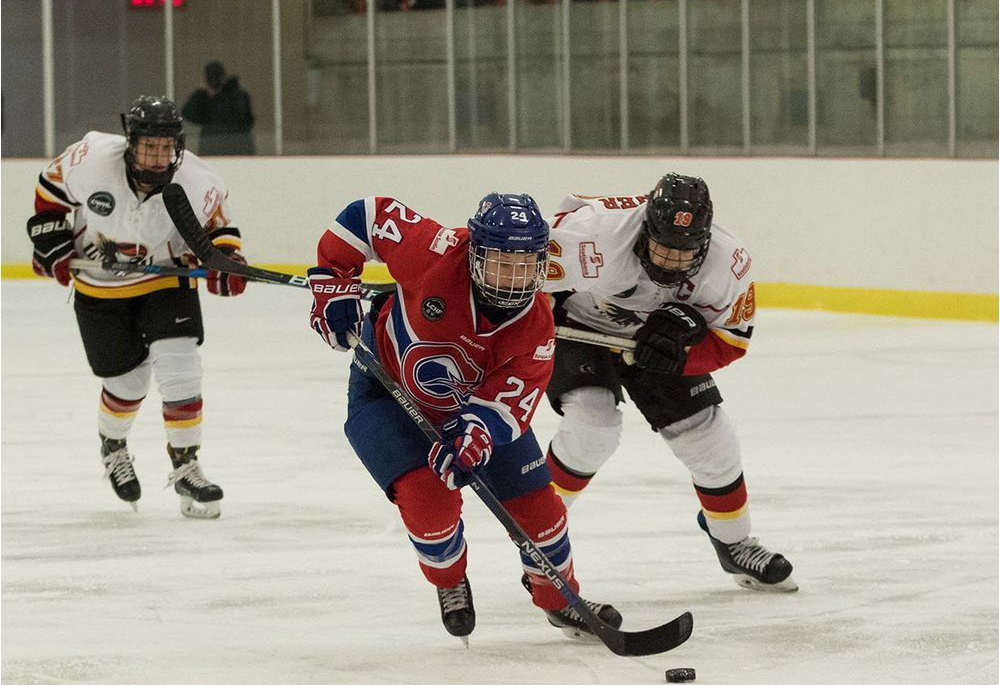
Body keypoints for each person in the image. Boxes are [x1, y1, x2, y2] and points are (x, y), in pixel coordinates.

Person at [306, 192, 622, 642]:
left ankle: (560, 601)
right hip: (388, 394)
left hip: (472, 412)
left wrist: (476, 433)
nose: (512, 279)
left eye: (523, 265)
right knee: (429, 507)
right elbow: (367, 215)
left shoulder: (536, 328)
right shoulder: (434, 251)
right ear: (473, 253)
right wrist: (333, 281)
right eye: (500, 263)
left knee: (542, 514)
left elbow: (510, 402)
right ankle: (450, 579)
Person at [542, 173, 798, 592]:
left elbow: (731, 342)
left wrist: (682, 351)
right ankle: (540, 538)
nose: (670, 263)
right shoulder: (593, 234)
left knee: (711, 438)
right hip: (577, 329)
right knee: (592, 429)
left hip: (654, 348)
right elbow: (514, 274)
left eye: (684, 254)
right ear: (645, 230)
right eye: (663, 248)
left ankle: (733, 544)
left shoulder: (728, 262)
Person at [26, 94, 248, 519]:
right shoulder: (91, 158)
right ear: (131, 142)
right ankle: (113, 446)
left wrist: (226, 263)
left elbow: (221, 229)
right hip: (98, 283)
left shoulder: (197, 178)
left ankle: (186, 466)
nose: (160, 155)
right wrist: (51, 242)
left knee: (180, 362)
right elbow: (50, 189)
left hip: (164, 277)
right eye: (150, 145)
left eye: (167, 146)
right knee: (127, 385)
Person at [181, 61, 256, 156]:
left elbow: (244, 119)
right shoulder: (205, 98)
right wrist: (200, 93)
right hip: (213, 148)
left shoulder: (237, 96)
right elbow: (188, 114)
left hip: (236, 149)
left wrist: (215, 96)